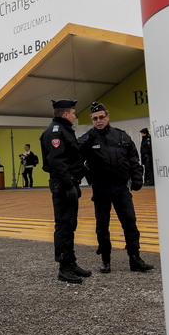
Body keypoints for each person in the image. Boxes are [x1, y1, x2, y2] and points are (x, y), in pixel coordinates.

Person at [78, 102, 154, 273]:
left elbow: (133, 158)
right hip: (101, 188)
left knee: (130, 222)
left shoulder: (121, 136)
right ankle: (106, 259)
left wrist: (137, 178)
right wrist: (87, 175)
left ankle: (135, 258)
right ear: (92, 120)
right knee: (102, 225)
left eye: (101, 117)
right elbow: (76, 157)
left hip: (120, 188)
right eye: (95, 118)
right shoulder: (89, 138)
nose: (98, 121)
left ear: (108, 116)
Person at [39, 99, 92, 283]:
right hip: (63, 186)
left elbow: (72, 158)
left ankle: (71, 262)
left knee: (70, 225)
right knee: (63, 226)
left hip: (70, 184)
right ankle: (64, 267)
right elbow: (57, 161)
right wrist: (69, 185)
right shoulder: (55, 132)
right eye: (73, 112)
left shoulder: (64, 130)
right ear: (66, 114)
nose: (75, 115)